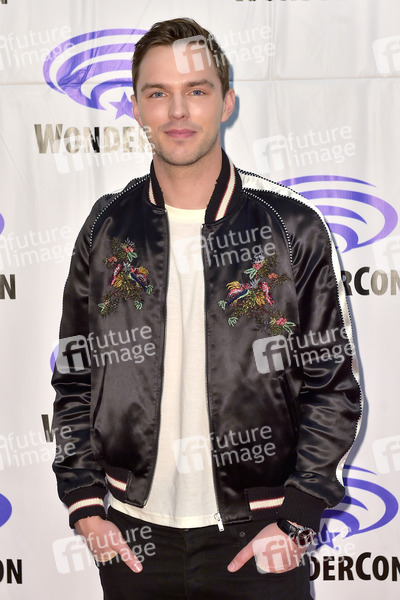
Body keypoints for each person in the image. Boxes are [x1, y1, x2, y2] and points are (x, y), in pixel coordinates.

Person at [52, 17, 362, 600]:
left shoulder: (290, 227)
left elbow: (333, 387)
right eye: (157, 93)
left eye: (196, 90)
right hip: (133, 538)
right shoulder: (105, 228)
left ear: (227, 102)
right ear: (136, 108)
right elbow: (75, 376)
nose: (177, 110)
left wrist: (297, 517)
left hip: (261, 533)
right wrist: (86, 504)